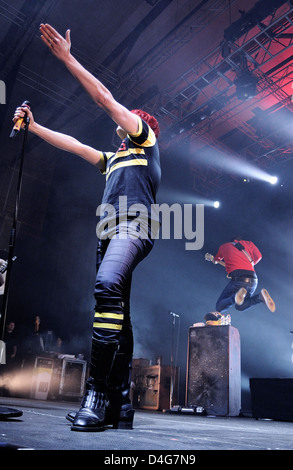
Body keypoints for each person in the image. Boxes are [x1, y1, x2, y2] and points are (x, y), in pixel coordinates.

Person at [13, 23, 161, 432]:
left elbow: (105, 98)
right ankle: (121, 406)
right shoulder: (113, 160)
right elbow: (74, 144)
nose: (121, 123)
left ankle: (96, 394)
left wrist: (67, 59)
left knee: (107, 286)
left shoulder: (145, 144)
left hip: (135, 227)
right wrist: (35, 127)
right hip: (111, 233)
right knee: (119, 313)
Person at [212, 237, 275, 314]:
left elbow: (216, 259)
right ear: (240, 240)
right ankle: (259, 297)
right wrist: (249, 264)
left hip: (239, 279)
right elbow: (259, 256)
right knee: (240, 306)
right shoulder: (249, 243)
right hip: (253, 280)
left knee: (219, 307)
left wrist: (214, 261)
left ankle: (236, 296)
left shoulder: (224, 246)